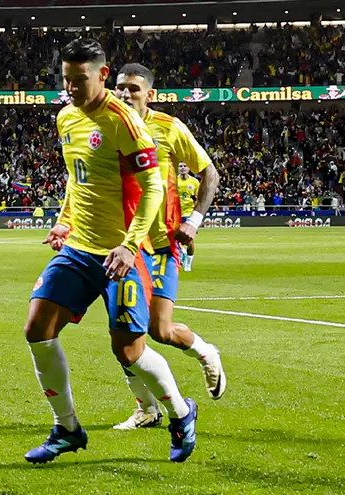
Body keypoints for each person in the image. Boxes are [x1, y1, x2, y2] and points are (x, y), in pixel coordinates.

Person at [24, 39, 198, 465]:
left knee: (129, 352)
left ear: (103, 75)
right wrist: (64, 218)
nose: (71, 89)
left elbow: (154, 186)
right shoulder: (66, 117)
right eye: (66, 80)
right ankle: (66, 428)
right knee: (37, 328)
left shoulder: (124, 122)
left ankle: (180, 412)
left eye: (79, 80)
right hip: (80, 248)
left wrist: (129, 243)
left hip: (123, 253)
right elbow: (75, 177)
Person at [111, 63, 227, 431]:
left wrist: (194, 221)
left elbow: (210, 172)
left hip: (161, 245)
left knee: (160, 331)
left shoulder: (170, 128)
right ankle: (146, 408)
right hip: (123, 246)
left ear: (150, 94)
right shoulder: (105, 127)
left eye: (133, 88)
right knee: (124, 334)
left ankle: (206, 352)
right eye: (120, 88)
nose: (125, 94)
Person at [176, 163, 201, 271]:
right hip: (175, 214)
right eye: (180, 166)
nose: (182, 168)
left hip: (189, 214)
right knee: (175, 238)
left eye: (185, 166)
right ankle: (182, 253)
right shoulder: (173, 180)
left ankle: (188, 263)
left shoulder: (194, 182)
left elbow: (199, 200)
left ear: (189, 168)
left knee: (189, 240)